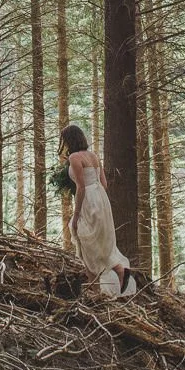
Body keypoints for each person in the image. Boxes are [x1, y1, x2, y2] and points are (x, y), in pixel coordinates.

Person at [61, 124, 134, 297]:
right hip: (100, 198)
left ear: (69, 140)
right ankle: (97, 287)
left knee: (86, 240)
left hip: (88, 200)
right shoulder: (93, 155)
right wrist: (98, 197)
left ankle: (118, 271)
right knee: (97, 241)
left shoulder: (74, 157)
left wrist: (77, 213)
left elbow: (80, 187)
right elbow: (105, 184)